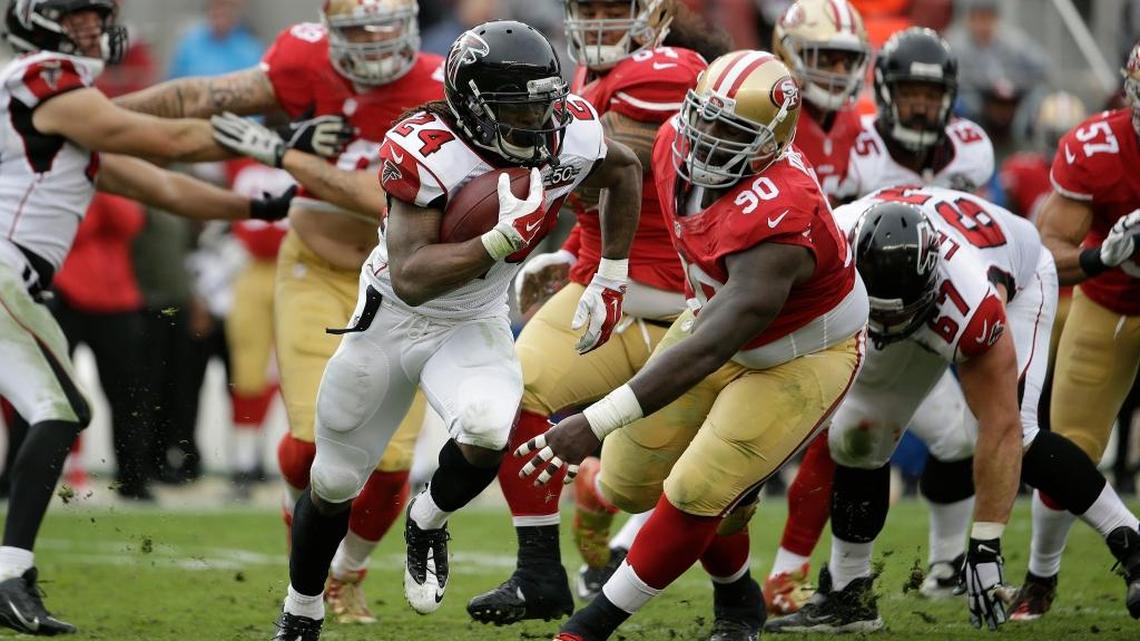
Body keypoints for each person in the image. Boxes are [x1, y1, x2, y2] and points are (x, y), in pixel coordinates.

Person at [264, 20, 643, 641]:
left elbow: (622, 170)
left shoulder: (568, 128)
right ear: (472, 104)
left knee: (490, 425)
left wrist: (611, 274)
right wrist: (497, 240)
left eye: (543, 102)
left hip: (474, 317)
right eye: (516, 107)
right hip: (391, 318)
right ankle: (301, 610)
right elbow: (413, 275)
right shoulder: (425, 145)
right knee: (333, 481)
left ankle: (429, 517)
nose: (537, 120)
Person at [517, 49, 868, 641]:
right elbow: (618, 183)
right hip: (709, 318)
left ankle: (586, 629)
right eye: (703, 118)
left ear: (772, 140)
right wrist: (601, 269)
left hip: (802, 353)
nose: (705, 140)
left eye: (729, 131)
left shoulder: (784, 208)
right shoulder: (669, 142)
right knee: (629, 485)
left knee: (699, 487)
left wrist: (593, 420)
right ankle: (738, 597)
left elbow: (714, 343)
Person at [116, 0, 444, 624]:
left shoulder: (441, 84)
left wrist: (286, 153)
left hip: (408, 286)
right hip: (313, 268)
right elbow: (200, 98)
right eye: (359, 32)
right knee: (308, 443)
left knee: (393, 460)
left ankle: (347, 573)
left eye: (386, 29)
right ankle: (312, 569)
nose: (375, 45)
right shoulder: (302, 57)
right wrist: (95, 118)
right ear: (330, 34)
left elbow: (380, 193)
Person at [0, 0, 303, 634]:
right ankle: (8, 573)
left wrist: (259, 205)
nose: (91, 27)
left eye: (96, 16)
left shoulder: (63, 123)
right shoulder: (41, 76)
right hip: (5, 269)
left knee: (62, 409)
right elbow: (156, 136)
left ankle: (10, 571)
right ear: (34, 19)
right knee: (61, 409)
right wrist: (270, 141)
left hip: (17, 279)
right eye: (75, 15)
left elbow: (163, 184)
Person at [765, 186, 1140, 634]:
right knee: (858, 435)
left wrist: (986, 544)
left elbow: (999, 428)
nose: (885, 330)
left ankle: (1133, 545)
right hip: (906, 284)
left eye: (894, 318)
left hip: (1016, 276)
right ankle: (850, 596)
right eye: (878, 317)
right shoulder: (827, 243)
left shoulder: (969, 300)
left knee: (1017, 432)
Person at [463, 0, 717, 625]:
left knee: (684, 477)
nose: (599, 23)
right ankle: (538, 572)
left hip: (690, 309)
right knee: (509, 394)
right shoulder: (580, 83)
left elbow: (624, 165)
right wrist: (571, 251)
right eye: (589, 9)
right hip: (607, 296)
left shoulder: (668, 69)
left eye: (614, 9)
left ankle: (737, 593)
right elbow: (599, 188)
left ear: (653, 16)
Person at [765, 26, 997, 606]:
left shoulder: (971, 147)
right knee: (843, 436)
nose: (920, 105)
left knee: (954, 439)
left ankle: (944, 569)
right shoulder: (859, 146)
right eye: (909, 92)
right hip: (864, 316)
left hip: (939, 306)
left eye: (930, 93)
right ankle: (791, 571)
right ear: (887, 93)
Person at [1015, 41, 1140, 621]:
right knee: (1070, 447)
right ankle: (1042, 575)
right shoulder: (1097, 147)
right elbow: (1048, 251)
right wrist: (1104, 256)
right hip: (1109, 304)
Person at [762, 0, 870, 614]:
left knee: (850, 430)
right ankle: (622, 534)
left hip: (834, 305)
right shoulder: (764, 113)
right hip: (753, 295)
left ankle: (787, 574)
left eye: (844, 59)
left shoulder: (866, 130)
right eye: (823, 56)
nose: (833, 71)